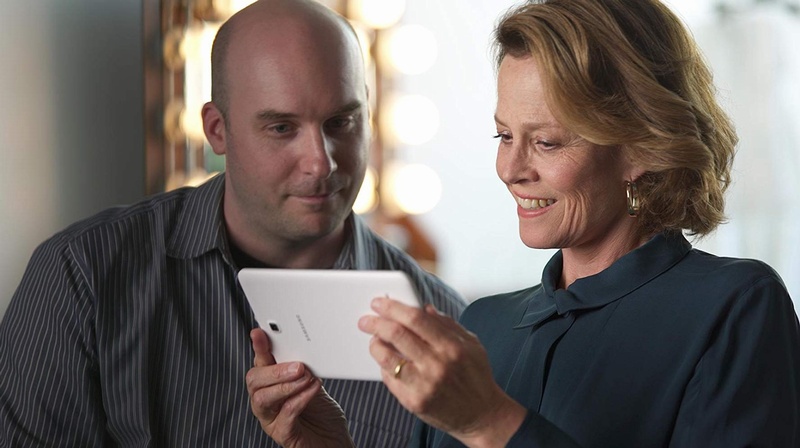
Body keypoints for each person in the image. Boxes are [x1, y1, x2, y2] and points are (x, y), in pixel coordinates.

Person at [248, 0, 800, 446]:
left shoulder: (735, 307)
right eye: (504, 135)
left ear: (642, 147)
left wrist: (490, 423)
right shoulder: (483, 325)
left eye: (546, 141)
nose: (511, 169)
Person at [0, 0, 465, 446]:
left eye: (340, 122)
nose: (320, 163)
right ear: (216, 130)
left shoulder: (446, 330)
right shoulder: (84, 276)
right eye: (282, 128)